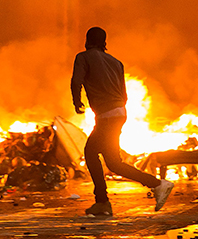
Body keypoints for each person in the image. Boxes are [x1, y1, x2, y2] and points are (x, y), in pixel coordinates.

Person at [71, 26, 173, 216]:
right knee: (113, 163)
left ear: (87, 40)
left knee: (91, 152)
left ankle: (104, 201)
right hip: (120, 113)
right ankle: (155, 185)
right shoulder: (116, 62)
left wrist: (78, 102)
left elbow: (76, 81)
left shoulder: (83, 57)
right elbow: (124, 96)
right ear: (104, 42)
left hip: (106, 116)